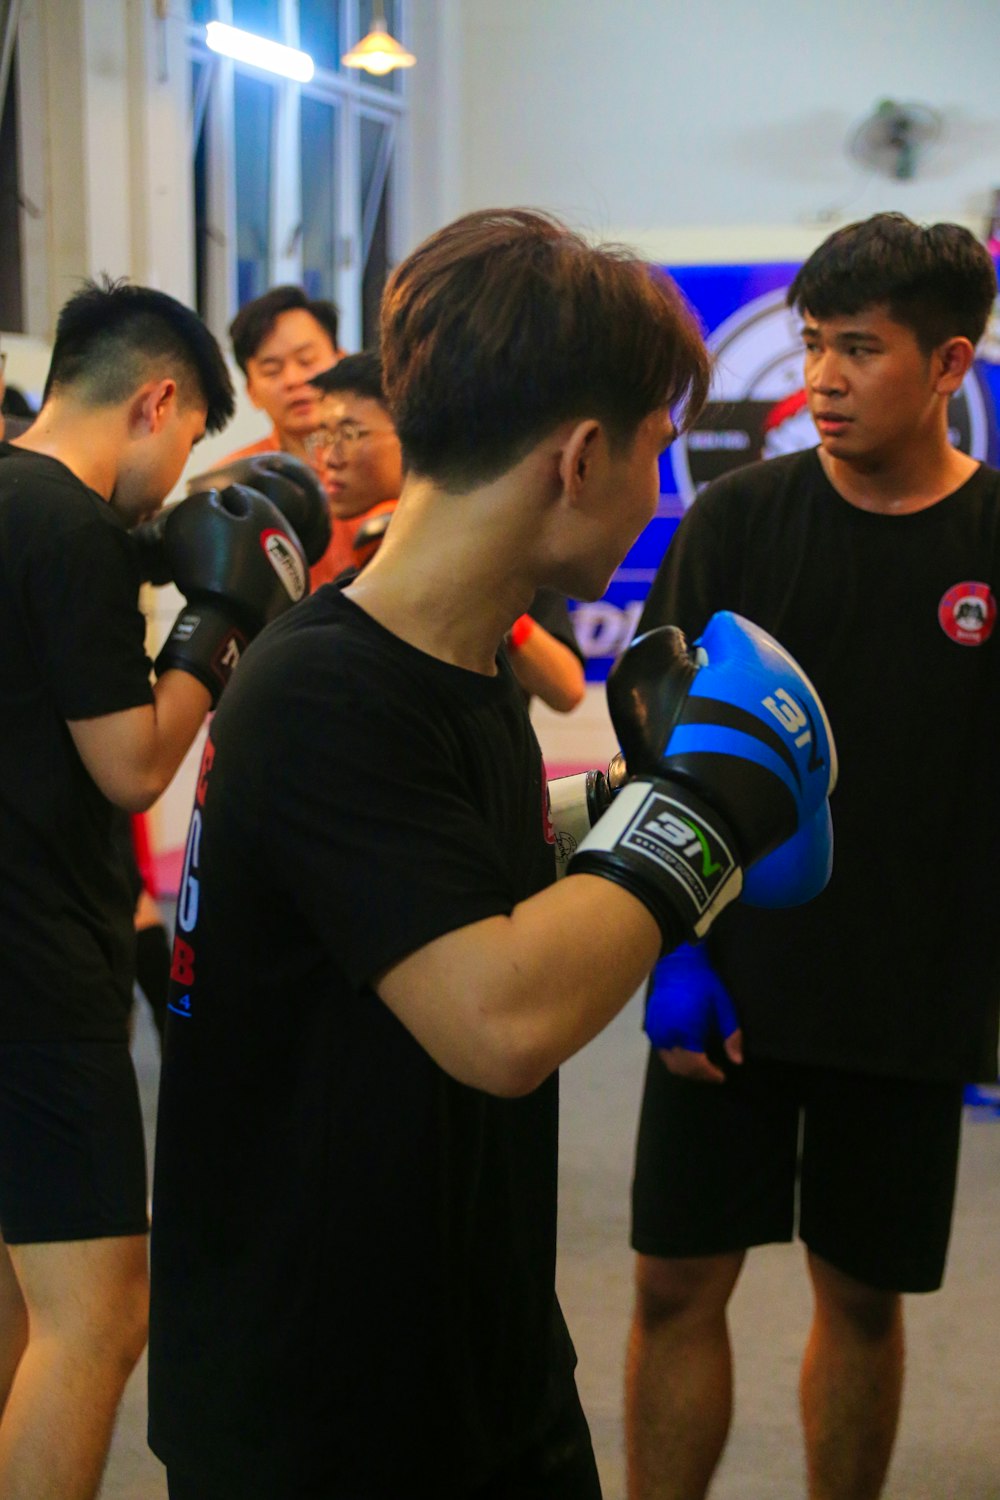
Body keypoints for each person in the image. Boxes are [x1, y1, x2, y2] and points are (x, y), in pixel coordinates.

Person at [146, 206, 837, 1500]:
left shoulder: (451, 668)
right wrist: (705, 808)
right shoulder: (323, 691)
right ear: (580, 458)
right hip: (324, 1412)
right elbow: (501, 1016)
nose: (655, 491)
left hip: (474, 1347)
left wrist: (620, 797)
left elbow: (442, 867)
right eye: (654, 450)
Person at [625, 212, 1000, 1500]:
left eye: (860, 349)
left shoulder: (992, 539)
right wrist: (664, 946)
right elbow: (656, 747)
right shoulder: (734, 521)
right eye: (811, 346)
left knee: (863, 1300)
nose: (822, 379)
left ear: (949, 365)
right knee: (675, 1286)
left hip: (905, 995)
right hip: (727, 981)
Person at [0, 276, 312, 1500]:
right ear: (158, 399)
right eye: (185, 441)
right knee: (98, 1317)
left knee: (25, 1299)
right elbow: (132, 764)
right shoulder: (68, 525)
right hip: (36, 962)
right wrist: (223, 618)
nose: (177, 471)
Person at [306, 349, 587, 707]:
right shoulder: (310, 538)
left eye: (349, 433)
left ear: (411, 431)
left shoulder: (500, 537)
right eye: (323, 436)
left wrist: (485, 594)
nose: (331, 456)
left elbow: (566, 690)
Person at [222, 284, 342, 466]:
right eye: (272, 371)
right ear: (251, 392)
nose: (293, 380)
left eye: (306, 360)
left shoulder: (388, 463)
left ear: (341, 361)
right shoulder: (236, 481)